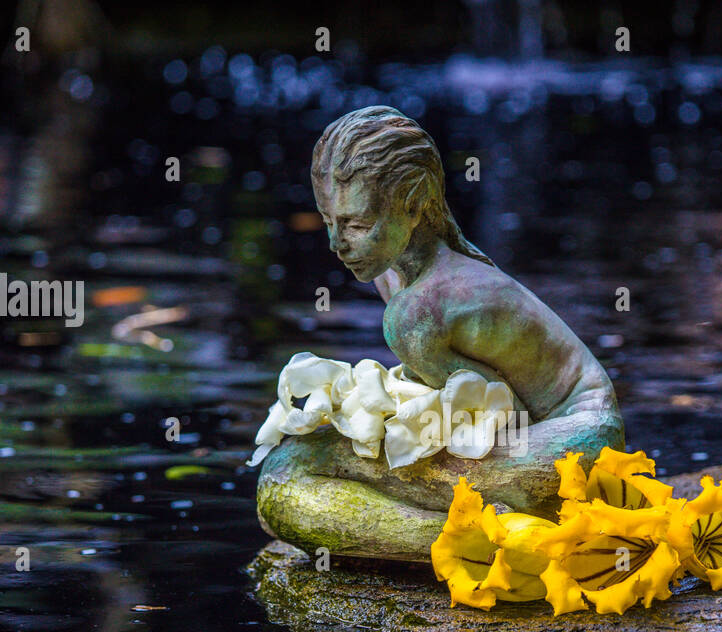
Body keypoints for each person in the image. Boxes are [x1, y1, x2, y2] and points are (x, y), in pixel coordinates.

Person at [256, 106, 623, 562]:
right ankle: (475, 538)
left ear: (413, 205)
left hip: (575, 450)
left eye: (356, 225)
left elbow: (502, 418)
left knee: (289, 473)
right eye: (329, 221)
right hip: (575, 437)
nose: (335, 244)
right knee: (297, 465)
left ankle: (481, 546)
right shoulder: (396, 271)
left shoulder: (418, 310)